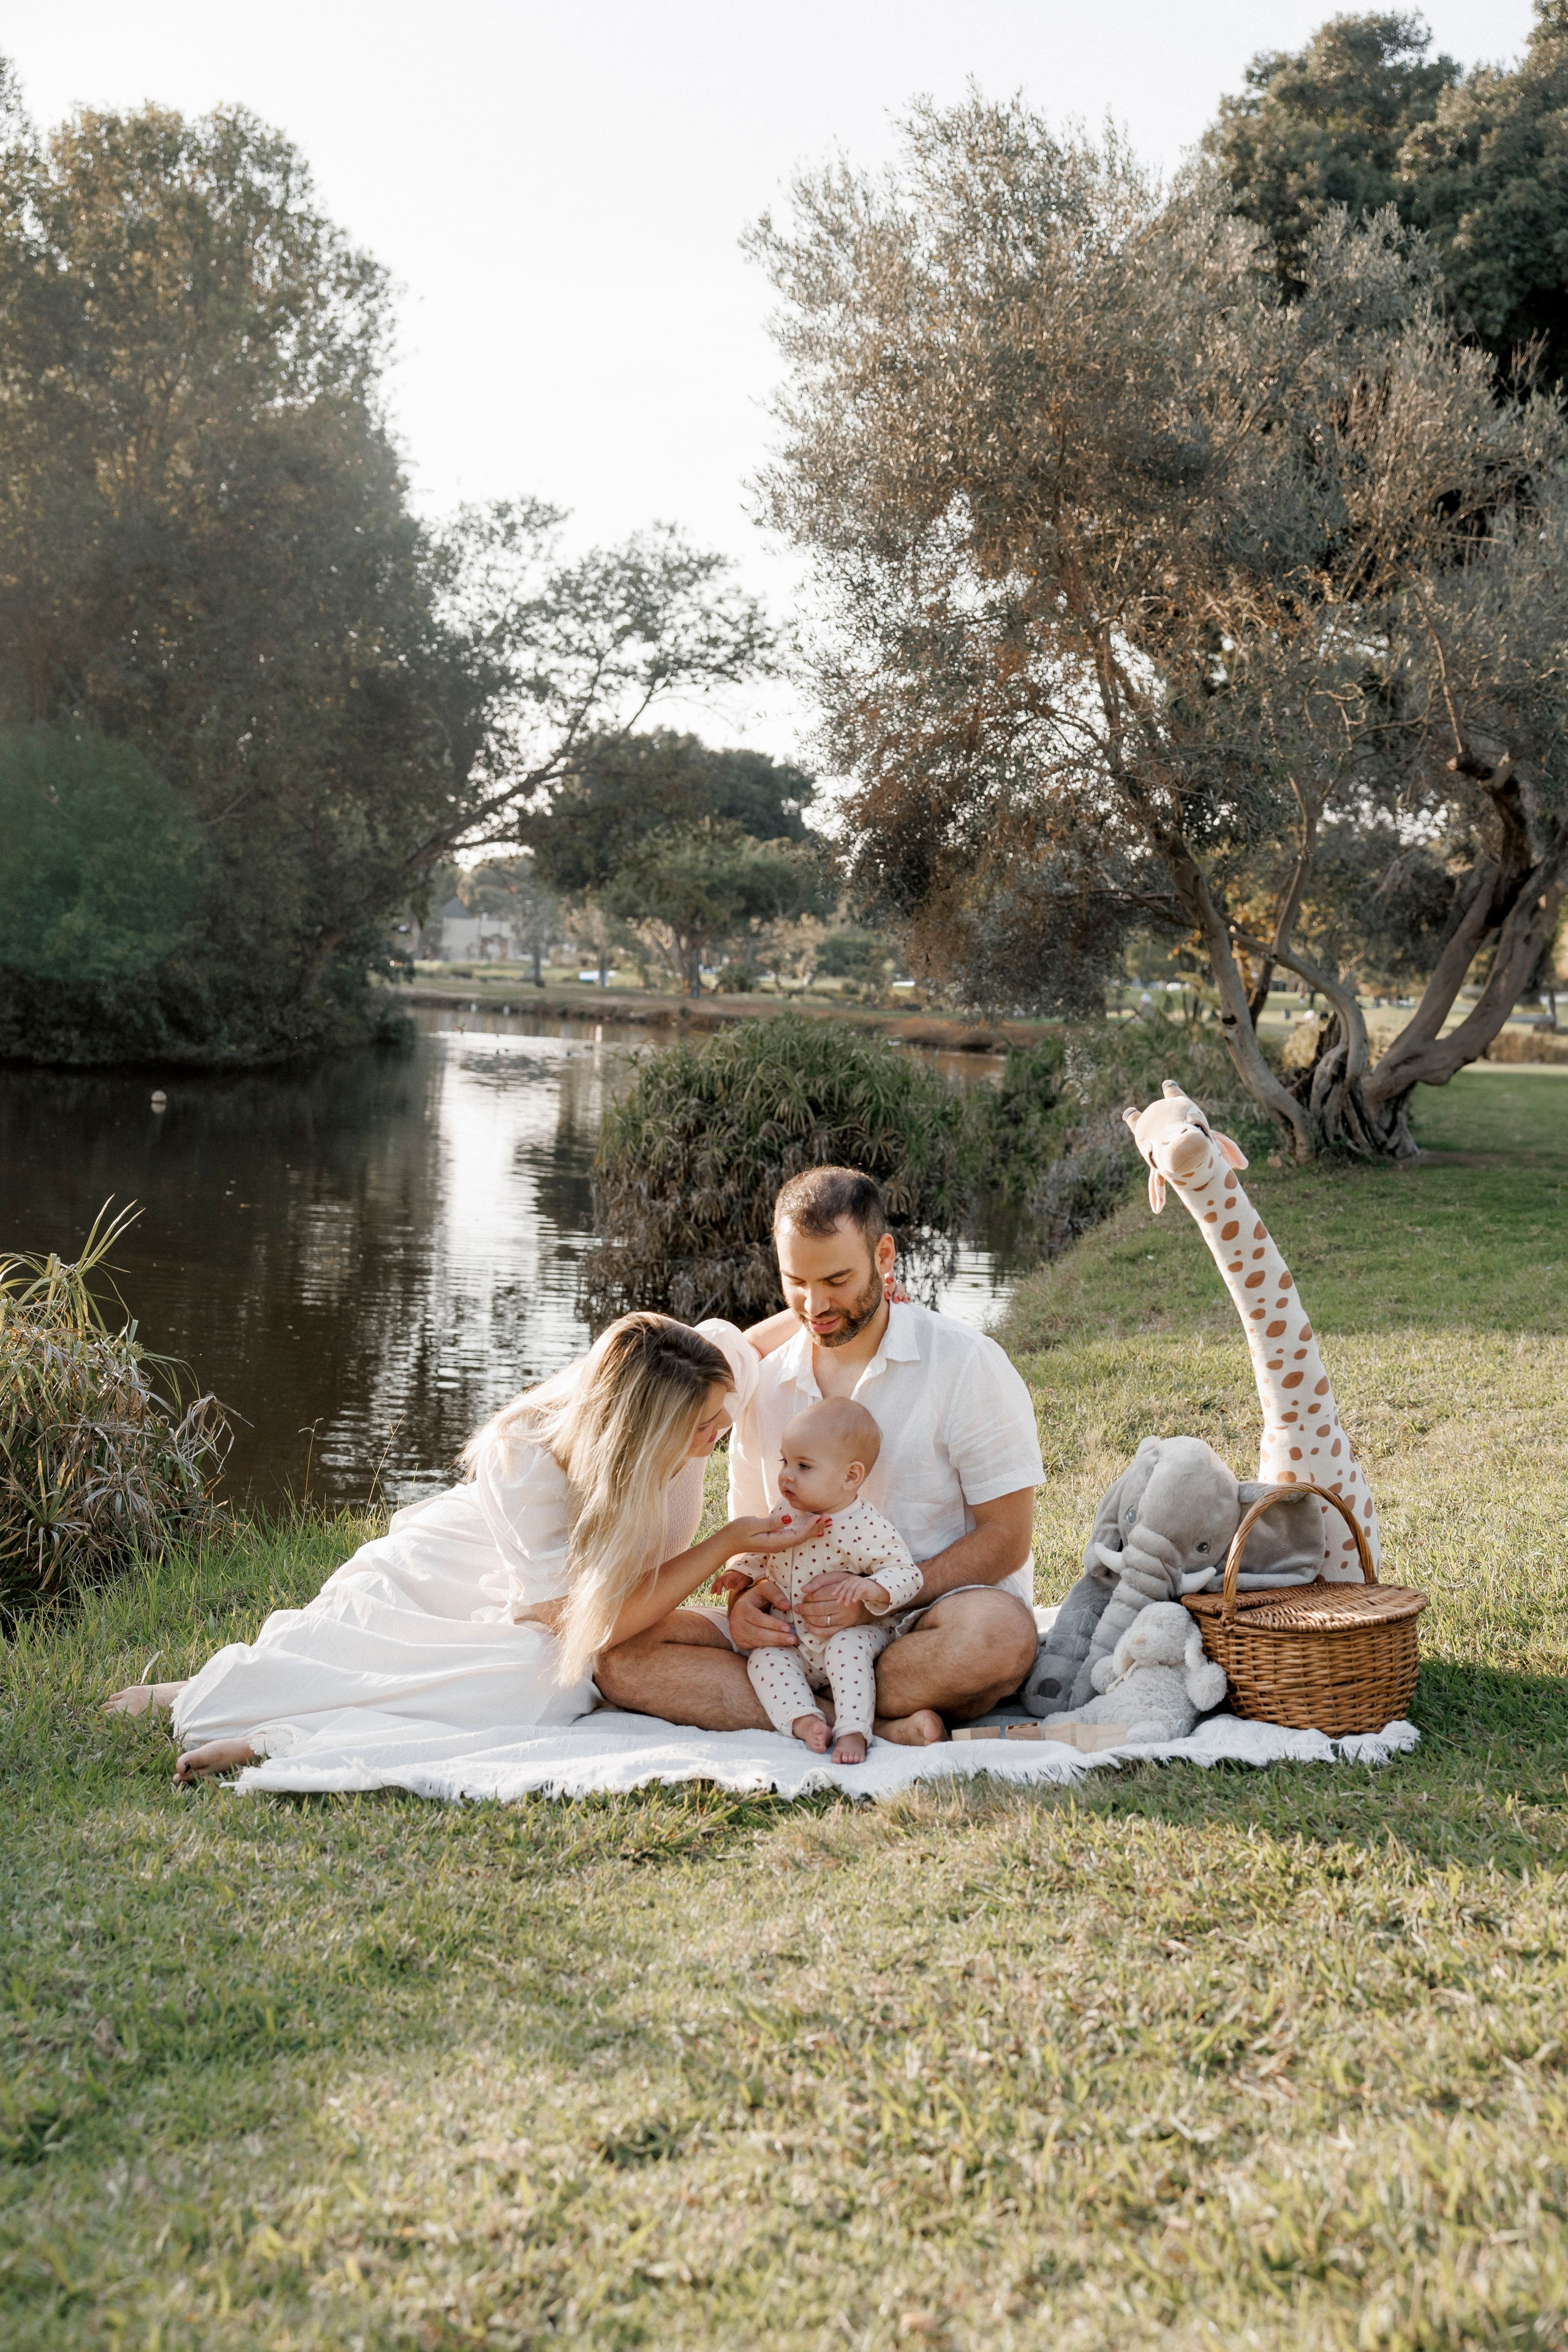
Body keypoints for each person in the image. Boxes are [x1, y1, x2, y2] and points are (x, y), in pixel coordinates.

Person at [104, 1314, 826, 1784]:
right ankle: (273, 1730)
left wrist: (836, 1301)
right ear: (638, 1435)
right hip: (462, 1573)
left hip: (575, 1598)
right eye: (703, 1429)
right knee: (537, 1682)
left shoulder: (701, 1385)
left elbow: (765, 1336)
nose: (718, 1436)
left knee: (552, 1679)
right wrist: (726, 1542)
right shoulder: (526, 1457)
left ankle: (282, 1723)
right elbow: (585, 1627)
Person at [594, 1167, 1044, 1741]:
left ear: (884, 1256)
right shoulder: (765, 1384)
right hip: (795, 1632)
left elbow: (1007, 1538)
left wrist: (875, 1600)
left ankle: (808, 1706)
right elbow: (754, 1538)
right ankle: (866, 1720)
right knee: (622, 1658)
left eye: (837, 1279)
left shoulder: (966, 1362)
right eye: (796, 1282)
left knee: (997, 1638)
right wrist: (744, 1605)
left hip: (923, 1620)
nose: (816, 1305)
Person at [741, 1396, 925, 1766]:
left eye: (804, 1466)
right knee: (764, 1658)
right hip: (795, 1637)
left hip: (854, 1632)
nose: (787, 1475)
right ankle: (804, 1720)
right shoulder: (786, 1511)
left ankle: (854, 1730)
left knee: (847, 1650)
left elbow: (908, 1574)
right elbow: (765, 1549)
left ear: (850, 1477)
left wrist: (872, 1588)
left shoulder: (864, 1525)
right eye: (784, 1461)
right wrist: (743, 1571)